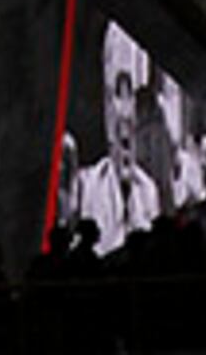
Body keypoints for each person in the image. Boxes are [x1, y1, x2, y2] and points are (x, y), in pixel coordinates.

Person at [64, 23, 167, 251]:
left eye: (135, 96)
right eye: (119, 92)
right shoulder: (86, 187)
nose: (127, 113)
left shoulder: (149, 192)